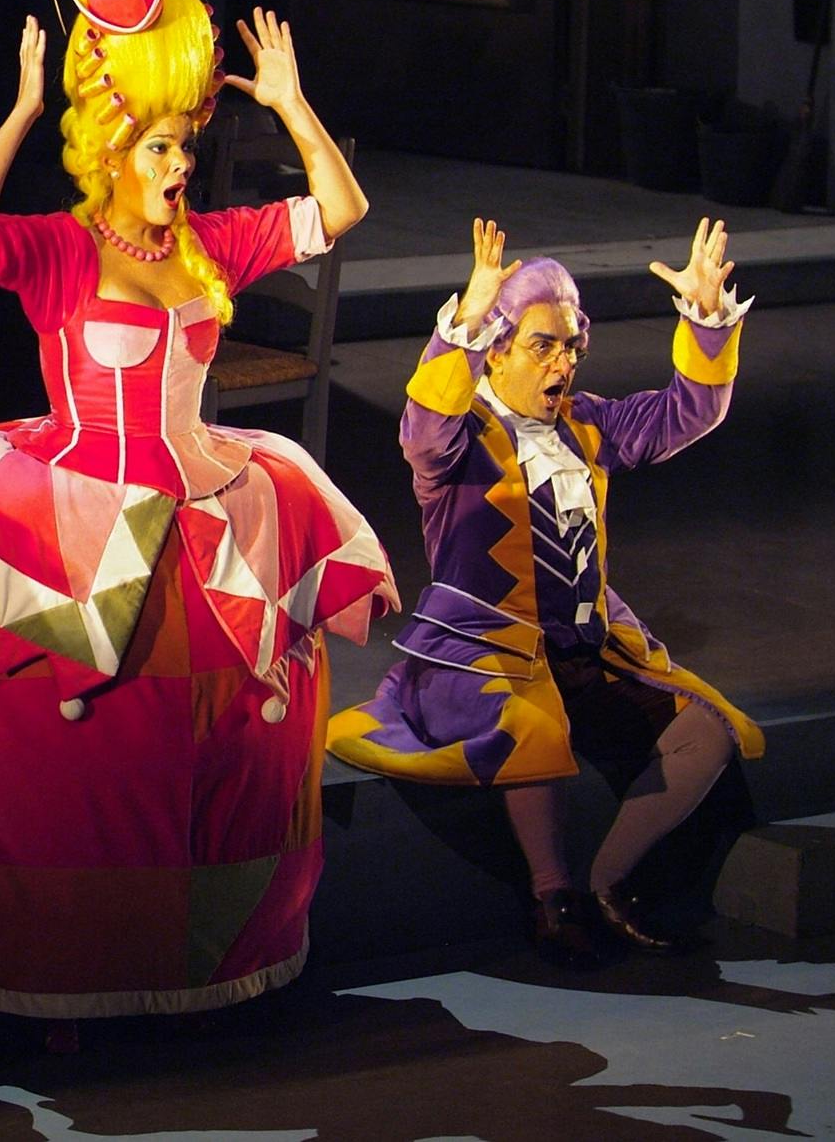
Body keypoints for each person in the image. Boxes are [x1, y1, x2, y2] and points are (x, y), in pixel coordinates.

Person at [0, 0, 399, 1028]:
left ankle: (216, 952)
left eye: (183, 146)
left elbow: (338, 212)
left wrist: (292, 107)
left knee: (226, 729)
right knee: (74, 746)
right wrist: (14, 113)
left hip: (200, 500)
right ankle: (61, 951)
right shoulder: (62, 248)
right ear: (111, 151)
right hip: (73, 506)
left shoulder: (213, 242)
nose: (177, 166)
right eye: (158, 148)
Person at [326, 217, 764, 962]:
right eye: (542, 344)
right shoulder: (459, 440)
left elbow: (689, 413)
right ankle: (551, 894)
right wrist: (462, 319)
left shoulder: (585, 428)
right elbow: (422, 432)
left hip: (586, 650)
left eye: (572, 345)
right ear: (495, 351)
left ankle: (607, 881)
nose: (564, 362)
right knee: (533, 726)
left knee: (707, 731)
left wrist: (706, 319)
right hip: (482, 658)